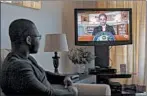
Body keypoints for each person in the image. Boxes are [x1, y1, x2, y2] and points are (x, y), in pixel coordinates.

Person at [1, 19, 77, 96]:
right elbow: (47, 94)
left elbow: (42, 73)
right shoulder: (18, 67)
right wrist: (72, 92)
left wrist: (63, 78)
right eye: (38, 37)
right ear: (29, 40)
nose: (39, 41)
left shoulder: (26, 58)